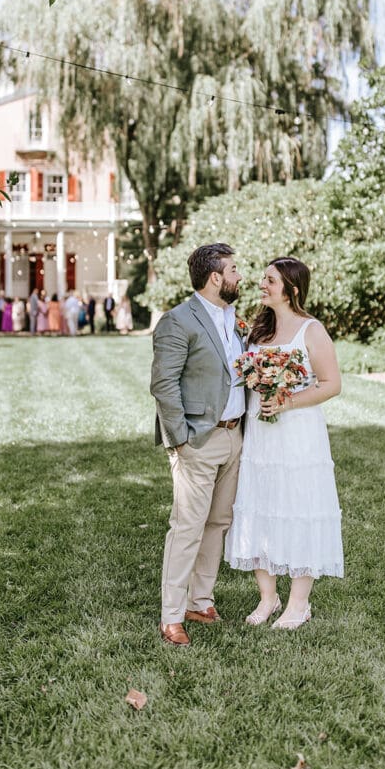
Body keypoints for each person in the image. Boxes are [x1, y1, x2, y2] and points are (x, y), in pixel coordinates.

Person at [224, 256, 343, 630]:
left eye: (270, 281)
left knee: (299, 509)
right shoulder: (257, 333)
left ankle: (298, 604)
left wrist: (288, 400)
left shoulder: (311, 330)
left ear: (291, 290)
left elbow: (331, 384)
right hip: (261, 437)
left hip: (298, 437)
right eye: (262, 279)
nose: (262, 285)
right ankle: (268, 597)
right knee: (260, 506)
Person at [150, 243, 247, 647]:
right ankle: (171, 615)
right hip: (198, 440)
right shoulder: (178, 321)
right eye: (234, 269)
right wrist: (182, 441)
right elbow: (163, 384)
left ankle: (200, 600)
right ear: (215, 278)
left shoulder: (232, 318)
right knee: (187, 527)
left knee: (218, 524)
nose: (240, 276)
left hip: (234, 436)